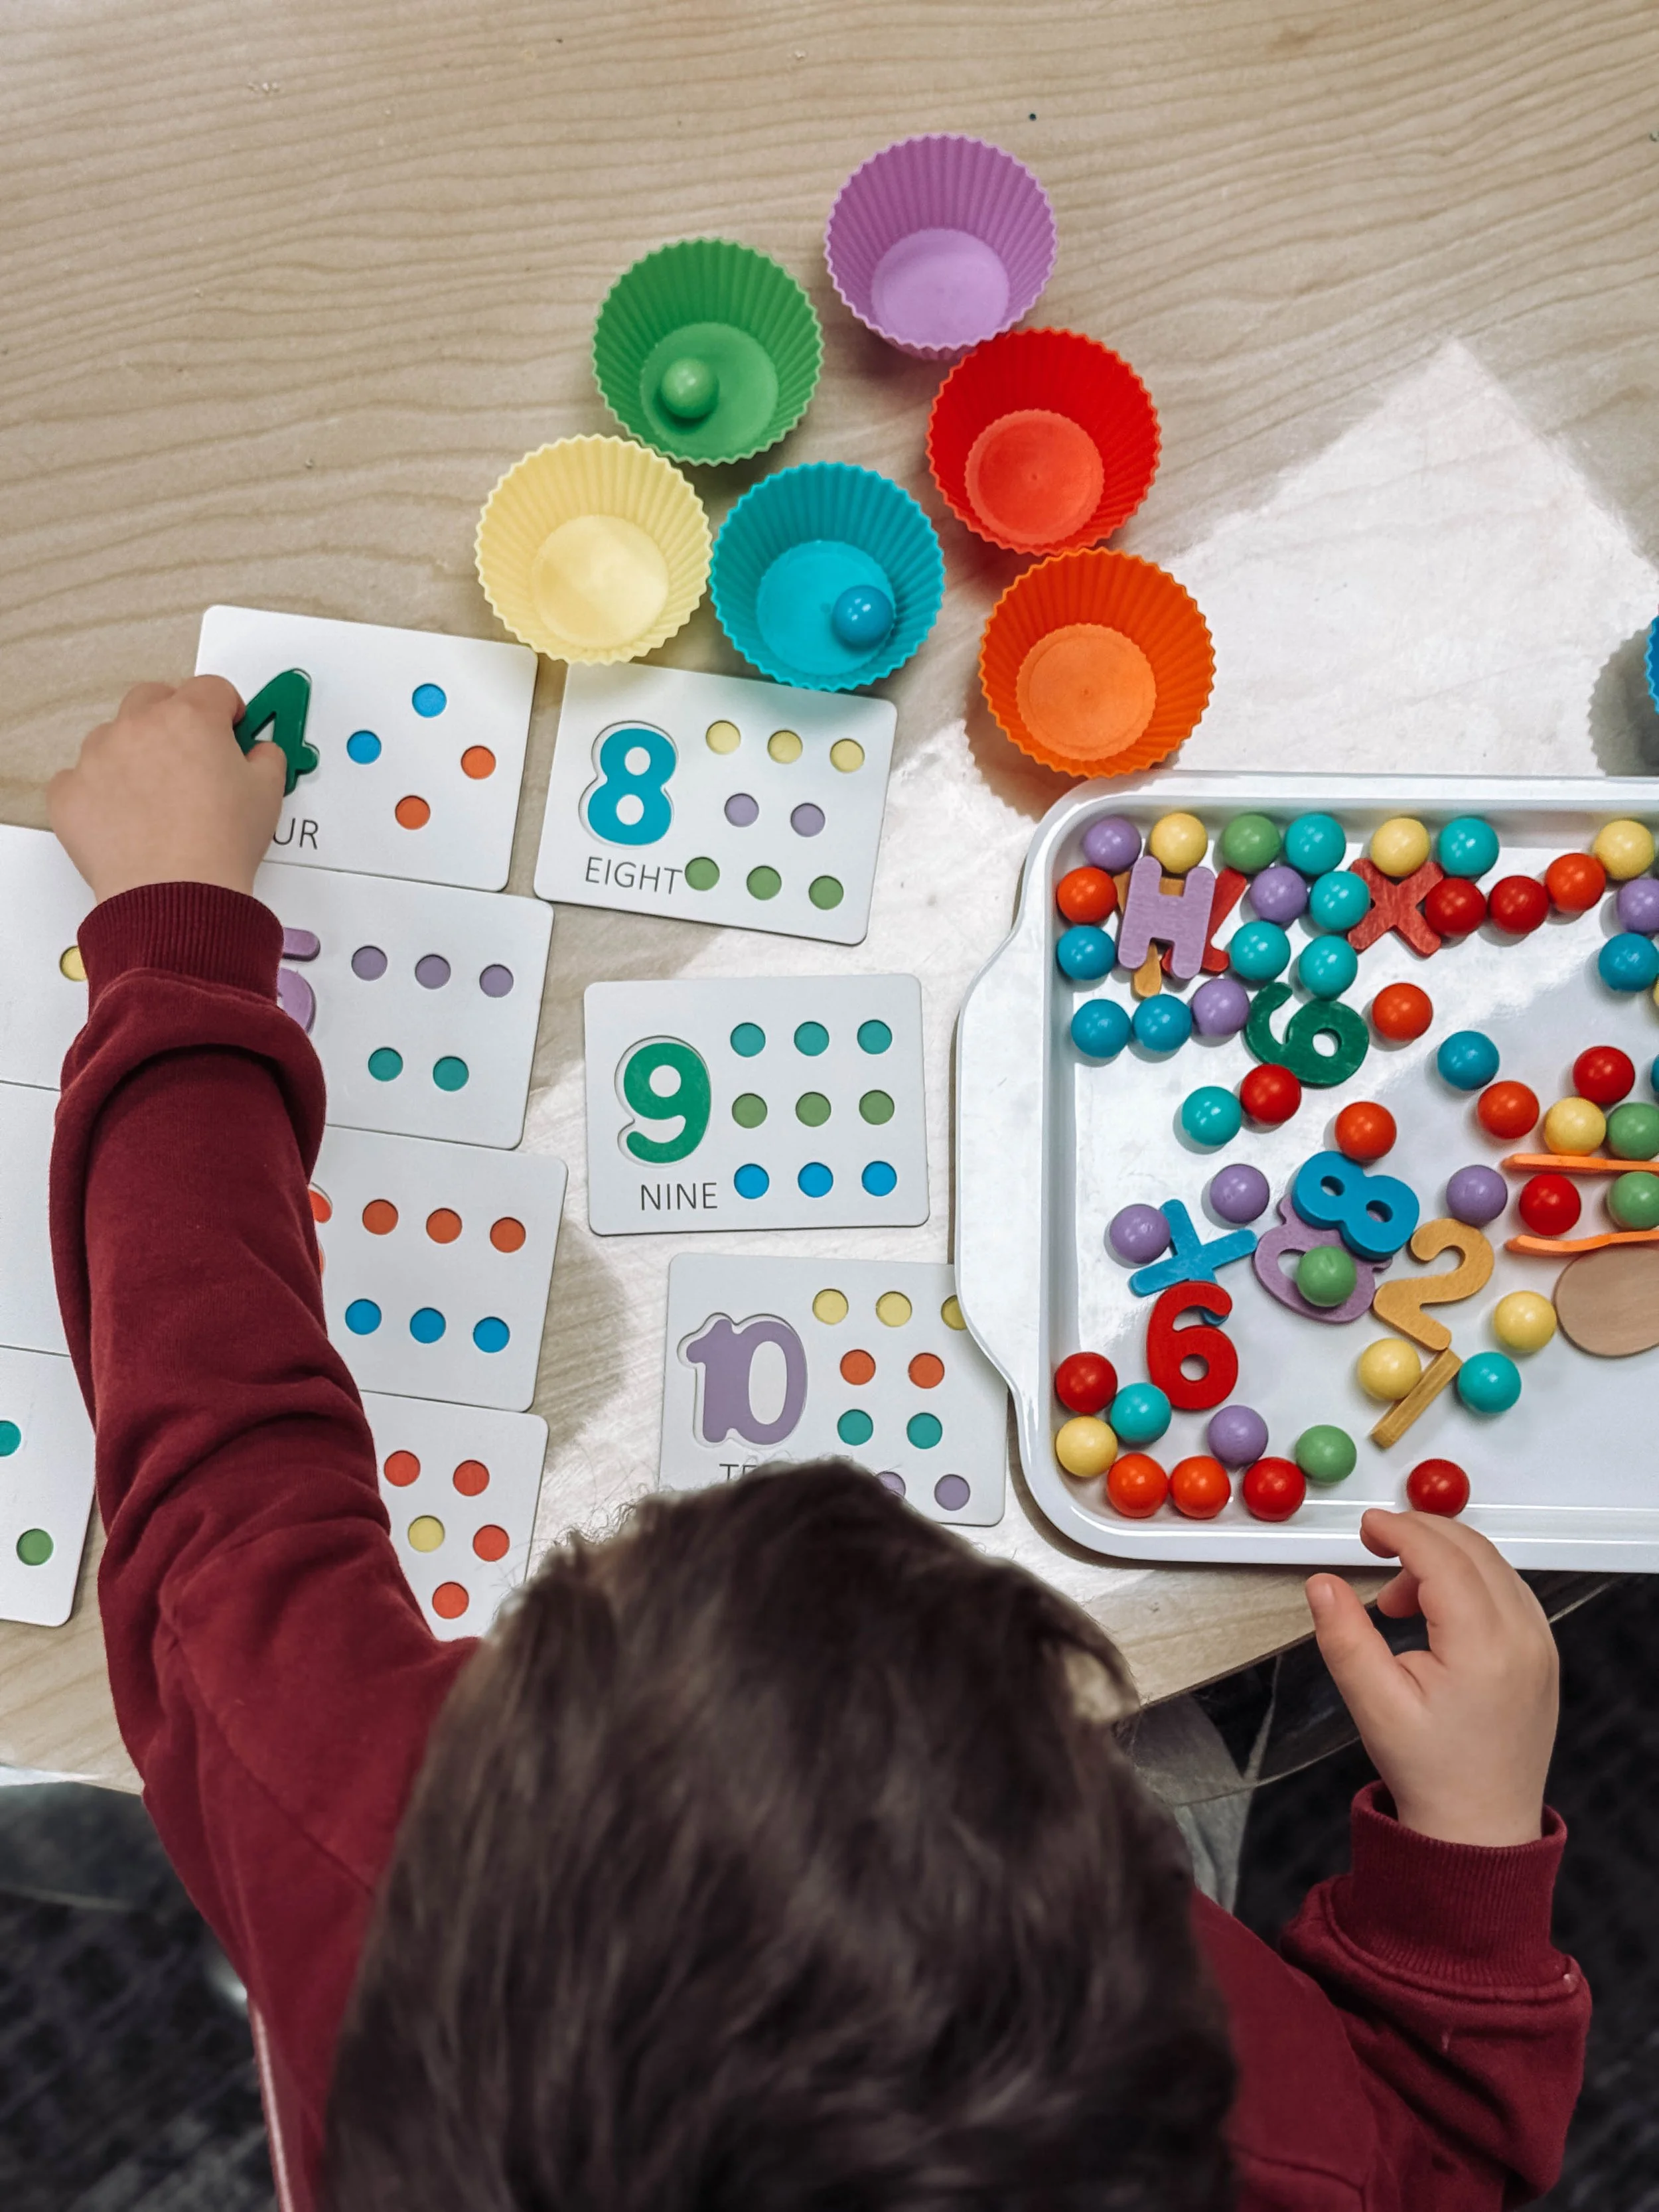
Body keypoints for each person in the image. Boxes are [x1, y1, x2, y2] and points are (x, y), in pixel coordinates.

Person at [44, 678, 1588, 2212]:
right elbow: (1432, 2155)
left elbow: (216, 1481)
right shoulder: (1277, 2156)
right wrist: (1462, 1867)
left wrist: (175, 934)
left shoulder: (374, 1853)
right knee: (1178, 1749)